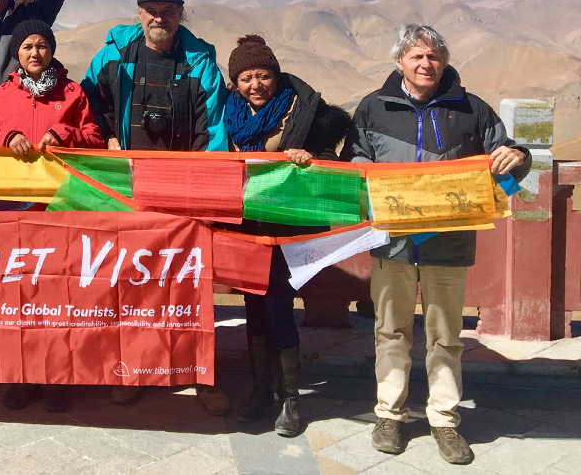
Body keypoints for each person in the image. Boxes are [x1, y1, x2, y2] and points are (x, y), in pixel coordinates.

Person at [346, 24, 531, 465]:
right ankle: (390, 415)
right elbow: (353, 160)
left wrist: (519, 156)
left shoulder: (471, 109)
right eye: (416, 56)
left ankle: (444, 420)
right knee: (390, 330)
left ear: (444, 62)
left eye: (434, 56)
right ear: (399, 62)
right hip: (391, 243)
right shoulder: (373, 107)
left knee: (445, 335)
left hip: (449, 243)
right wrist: (362, 174)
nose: (426, 64)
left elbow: (507, 158)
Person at [81, 0, 231, 414]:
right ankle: (137, 369)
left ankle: (200, 374)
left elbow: (214, 131)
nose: (159, 17)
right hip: (128, 191)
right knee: (134, 283)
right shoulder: (114, 56)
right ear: (139, 13)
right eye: (151, 10)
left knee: (190, 285)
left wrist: (205, 194)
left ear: (181, 13)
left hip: (185, 191)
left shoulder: (200, 63)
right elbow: (87, 104)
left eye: (168, 10)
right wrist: (107, 137)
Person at [222, 35, 351, 436]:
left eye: (263, 75)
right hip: (245, 224)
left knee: (278, 305)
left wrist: (309, 158)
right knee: (254, 306)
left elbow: (331, 158)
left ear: (275, 75)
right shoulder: (226, 112)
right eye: (246, 78)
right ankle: (261, 390)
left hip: (287, 225)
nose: (256, 85)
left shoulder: (303, 110)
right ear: (235, 83)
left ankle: (290, 400)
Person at [0, 19, 104, 413]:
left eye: (42, 45)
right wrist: (6, 137)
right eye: (27, 46)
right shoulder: (1, 95)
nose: (35, 53)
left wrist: (66, 134)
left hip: (60, 210)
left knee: (58, 296)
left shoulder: (72, 93)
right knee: (17, 294)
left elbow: (95, 139)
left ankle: (57, 378)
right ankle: (22, 376)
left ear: (51, 50)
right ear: (17, 52)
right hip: (13, 212)